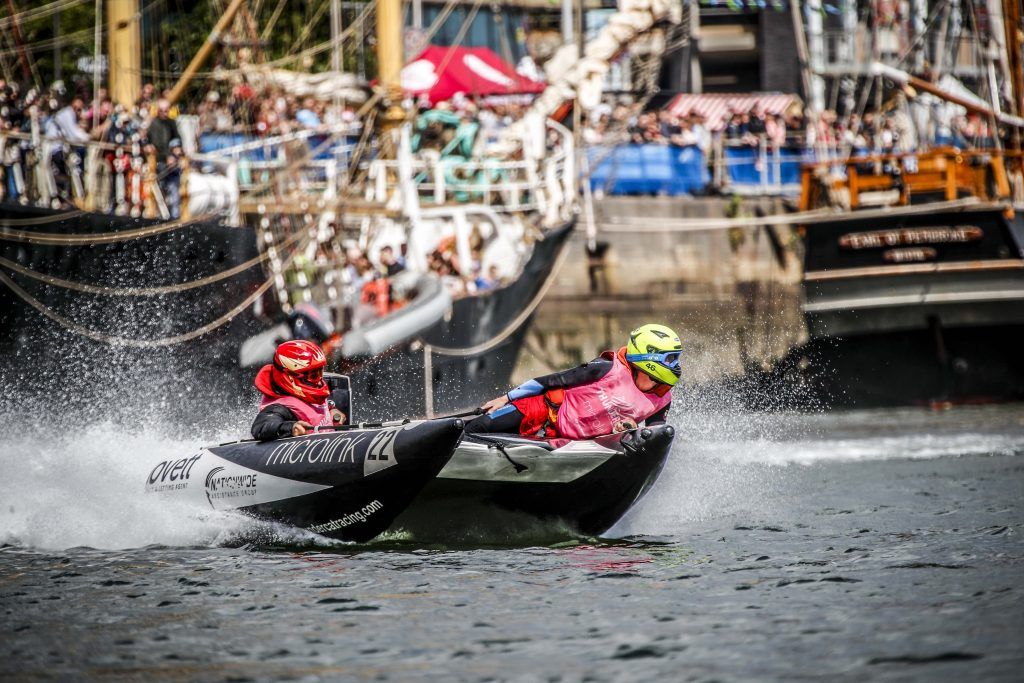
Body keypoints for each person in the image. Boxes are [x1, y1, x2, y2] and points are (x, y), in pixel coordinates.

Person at [466, 323, 681, 439]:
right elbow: (552, 380)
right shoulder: (607, 368)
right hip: (544, 411)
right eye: (670, 358)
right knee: (479, 427)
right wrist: (506, 398)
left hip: (574, 442)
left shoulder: (662, 399)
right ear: (648, 355)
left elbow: (655, 436)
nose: (675, 365)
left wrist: (632, 432)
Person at [251, 340, 347, 441]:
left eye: (320, 372)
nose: (319, 381)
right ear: (291, 377)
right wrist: (291, 428)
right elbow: (261, 426)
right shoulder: (279, 408)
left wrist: (332, 409)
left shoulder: (311, 394)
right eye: (314, 375)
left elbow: (317, 407)